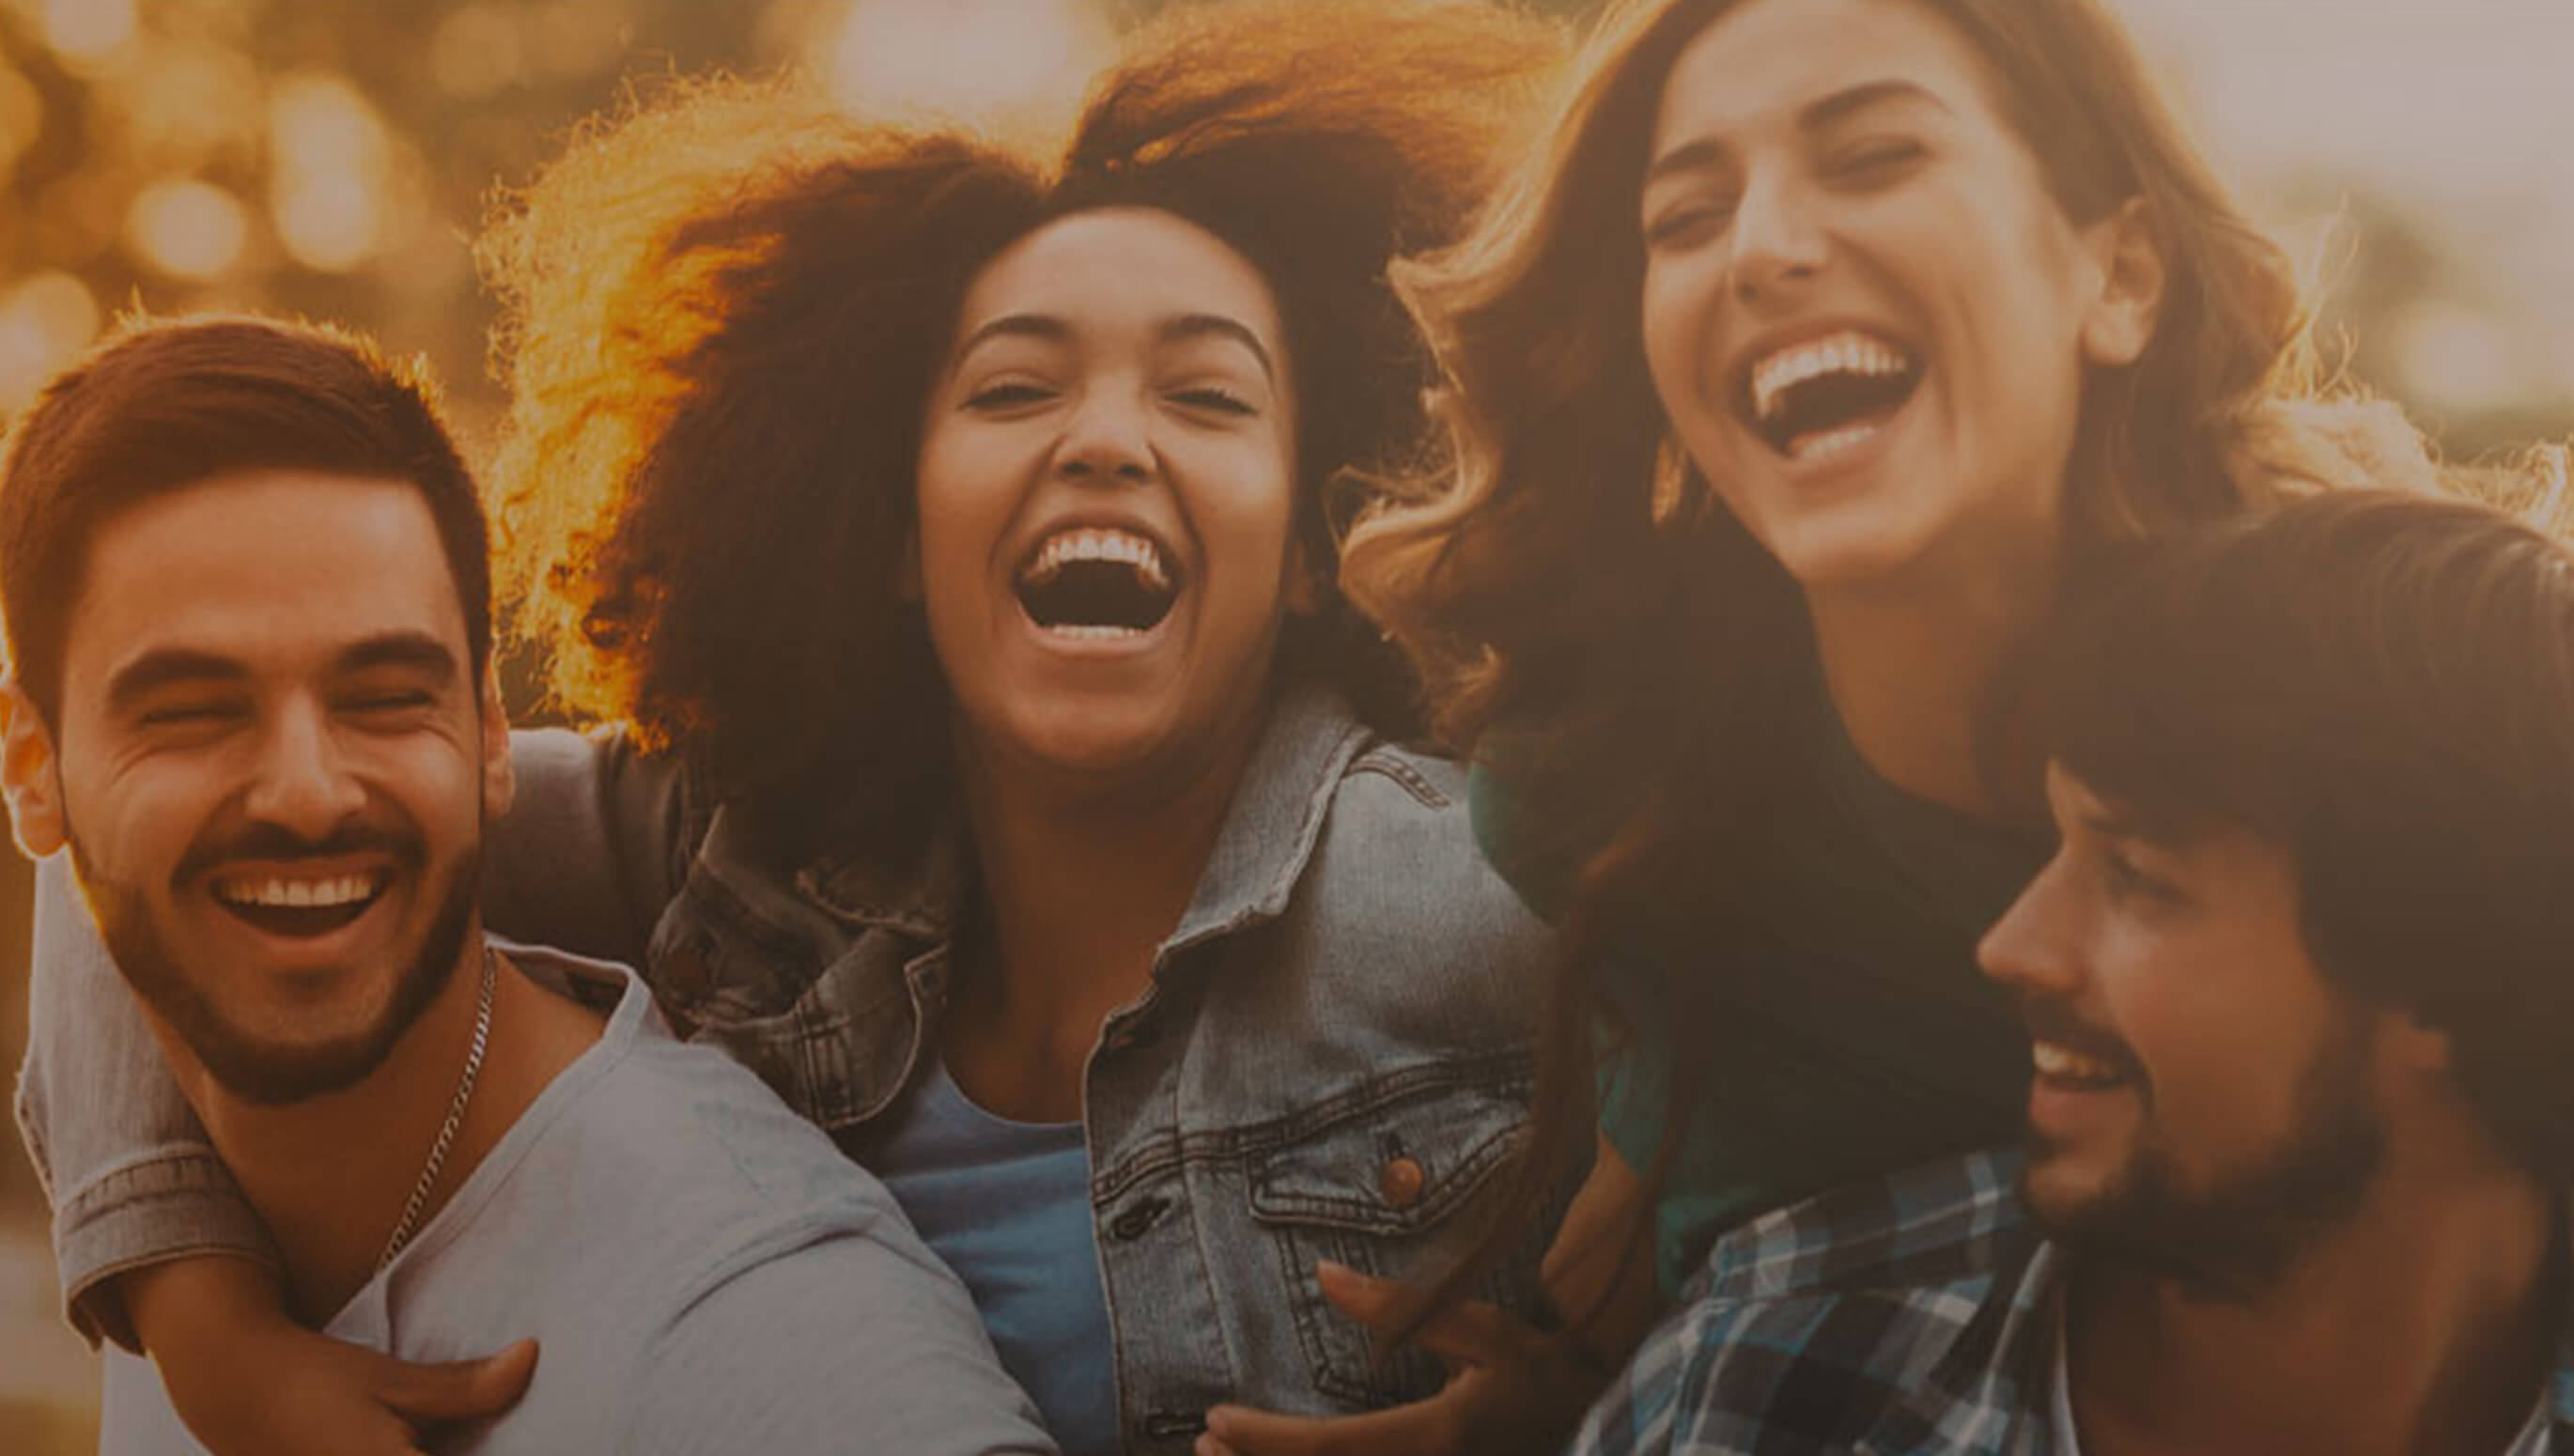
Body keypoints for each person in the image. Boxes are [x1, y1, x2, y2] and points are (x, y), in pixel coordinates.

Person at [13, 7, 1569, 1454]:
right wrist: (197, 1309)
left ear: (1313, 549)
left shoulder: (1473, 893)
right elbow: (182, 846)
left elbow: (1798, 1101)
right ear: (892, 535)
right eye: (1017, 387)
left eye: (1209, 398)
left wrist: (1617, 1383)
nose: (1105, 438)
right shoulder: (756, 843)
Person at [1200, 0, 2443, 1451]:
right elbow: (1702, 1239)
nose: (1765, 247)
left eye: (1871, 157)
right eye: (1688, 214)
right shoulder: (1615, 798)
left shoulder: (2406, 730)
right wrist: (1563, 1409)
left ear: (2121, 274)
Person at [0, 315, 1052, 1454]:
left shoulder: (769, 1332)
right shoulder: (192, 1244)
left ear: (492, 731)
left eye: (384, 692)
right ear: (33, 772)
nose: (306, 793)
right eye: (192, 711)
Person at [1574, 487, 2574, 1454]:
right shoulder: (1770, 1374)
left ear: (2447, 974)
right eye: (2052, 848)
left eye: (2137, 877)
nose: (2011, 944)